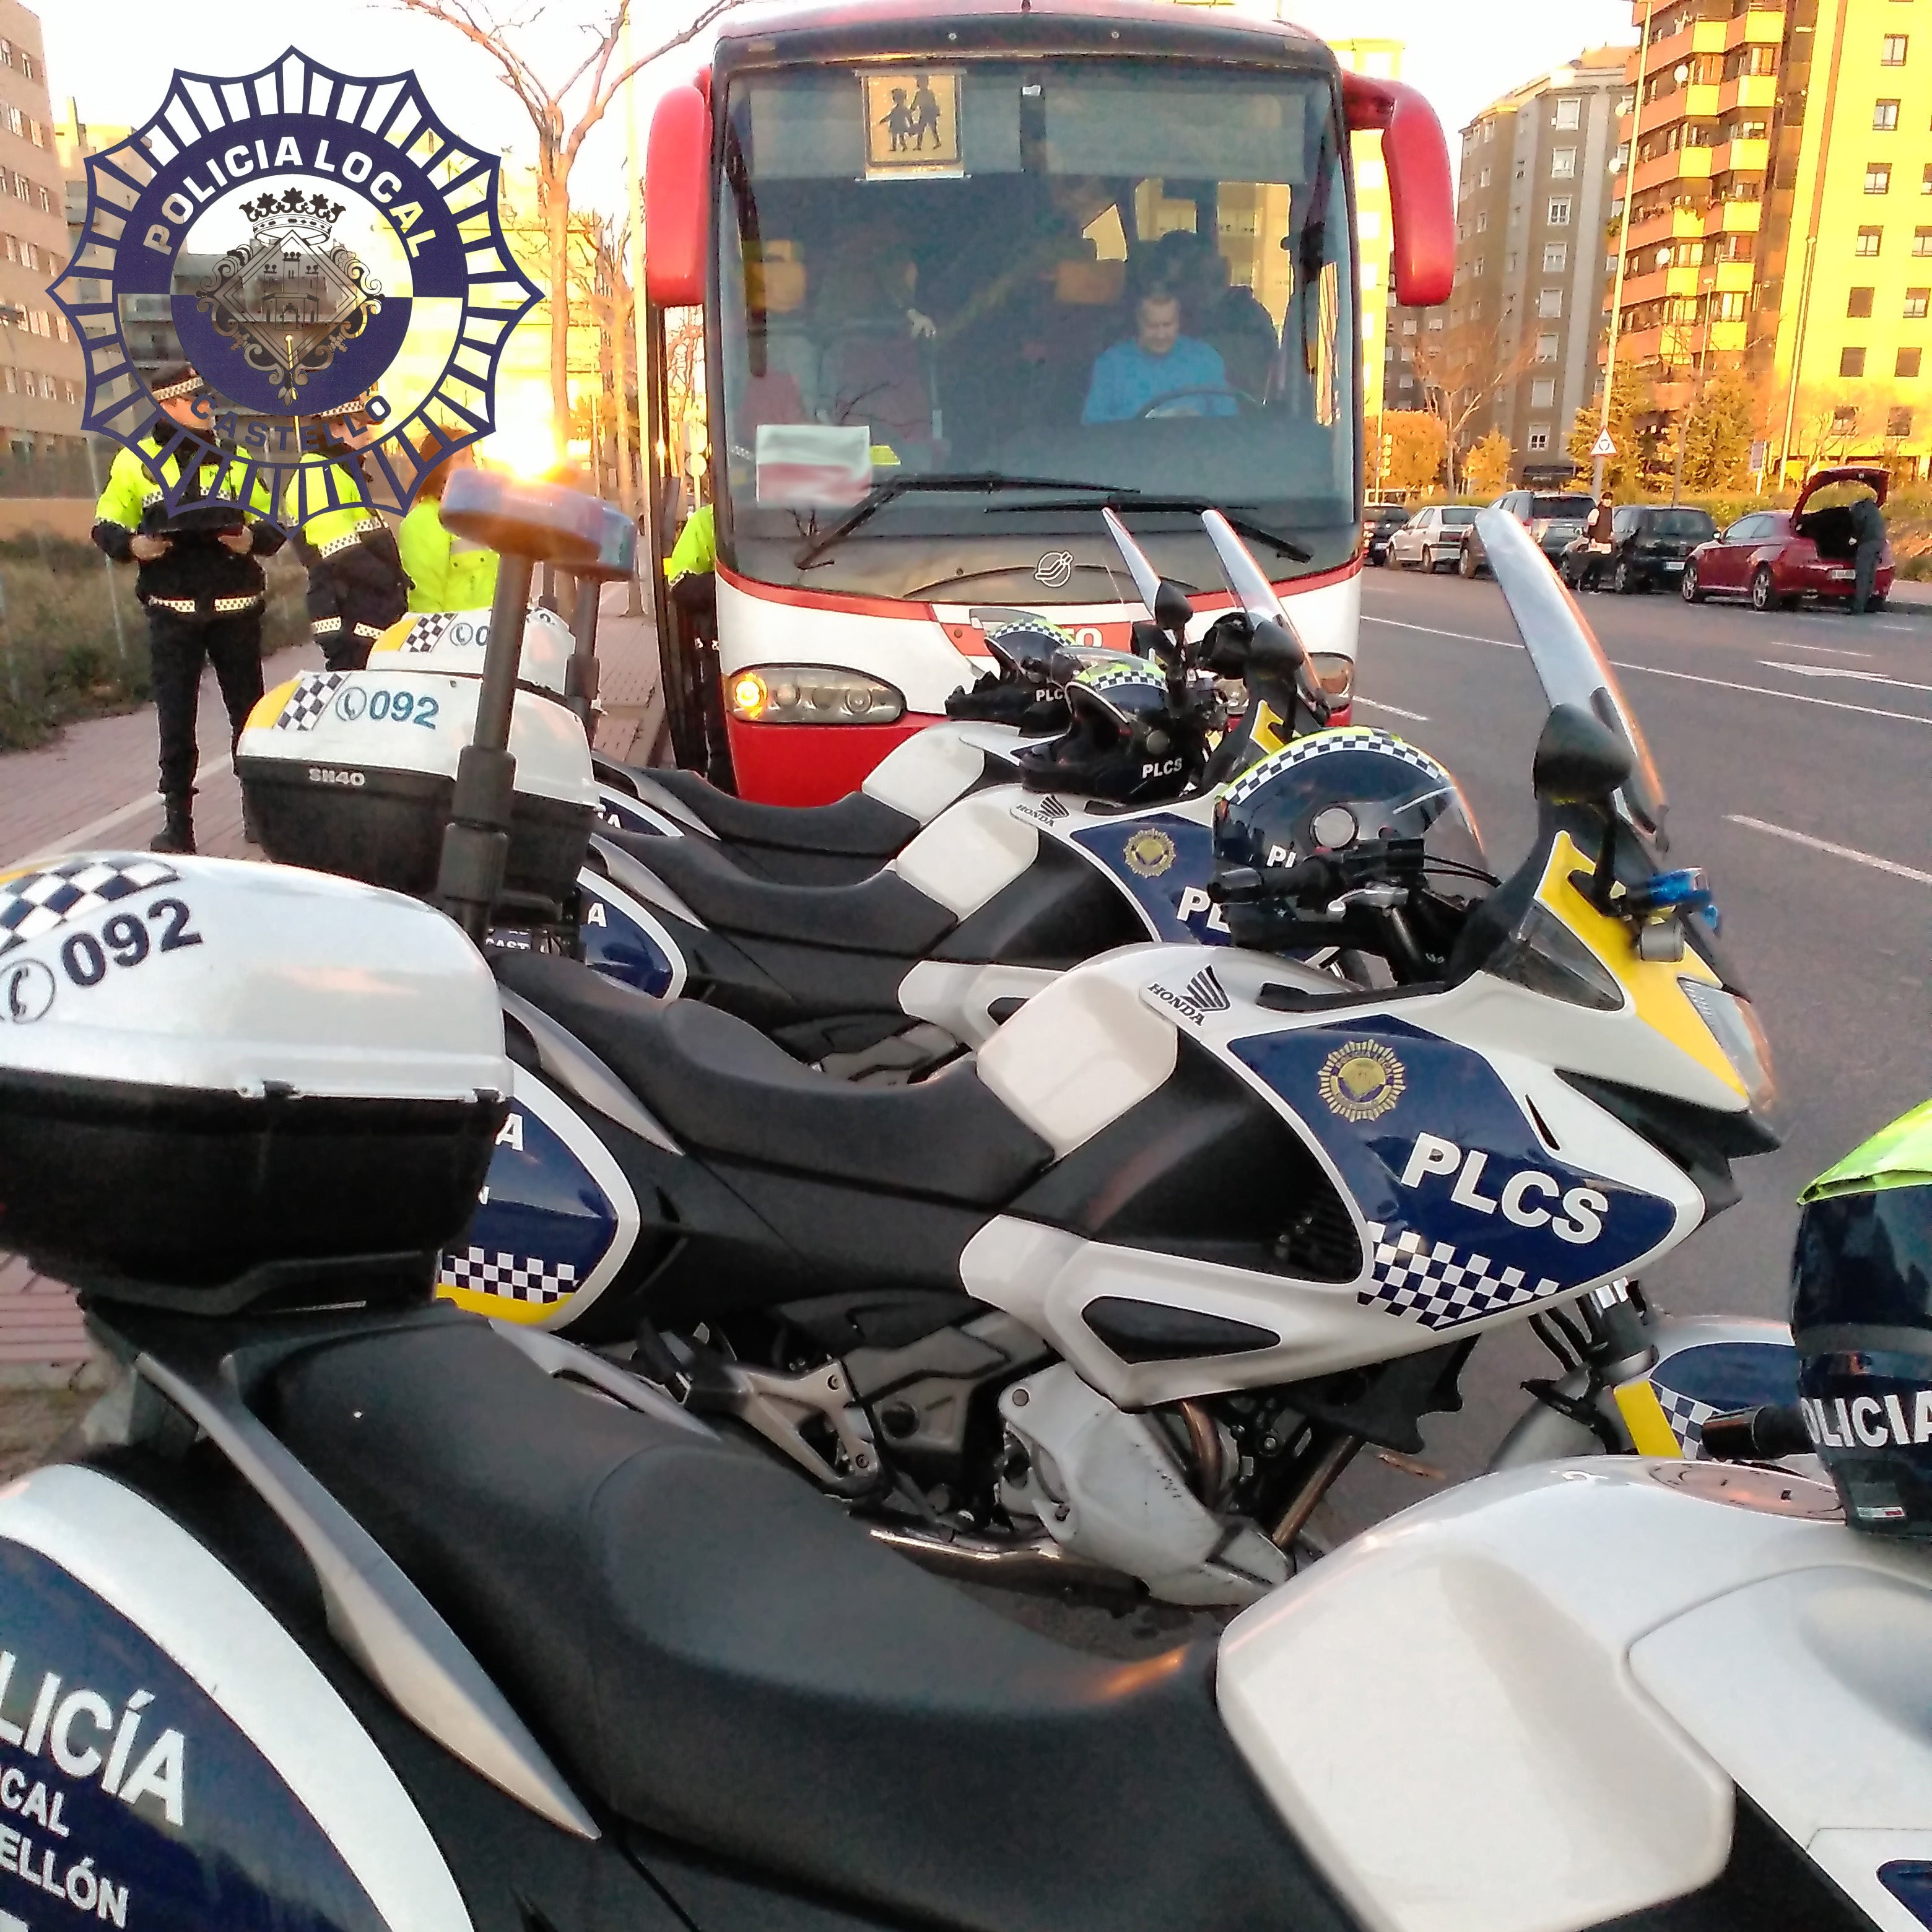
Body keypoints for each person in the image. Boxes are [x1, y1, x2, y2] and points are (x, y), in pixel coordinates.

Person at [90, 363, 285, 855]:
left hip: (236, 609)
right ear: (167, 405)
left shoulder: (236, 457)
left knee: (250, 716)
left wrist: (250, 540)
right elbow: (106, 522)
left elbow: (273, 523)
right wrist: (134, 545)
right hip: (172, 611)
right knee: (176, 721)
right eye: (196, 399)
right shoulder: (135, 461)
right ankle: (179, 825)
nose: (207, 407)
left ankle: (258, 813)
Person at [290, 396, 411, 669]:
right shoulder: (317, 474)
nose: (368, 436)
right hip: (350, 626)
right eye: (359, 425)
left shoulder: (341, 475)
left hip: (363, 621)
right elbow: (341, 554)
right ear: (333, 429)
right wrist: (394, 583)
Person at [1081, 287, 1235, 425]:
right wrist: (1148, 421)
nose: (1161, 335)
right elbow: (1092, 424)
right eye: (1153, 326)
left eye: (1167, 325)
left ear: (1179, 322)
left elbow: (1229, 423)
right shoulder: (1111, 365)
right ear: (1139, 321)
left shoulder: (1206, 359)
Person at [397, 435, 498, 612]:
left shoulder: (480, 518)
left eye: (473, 458)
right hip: (454, 637)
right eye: (461, 459)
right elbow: (424, 607)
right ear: (439, 468)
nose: (472, 466)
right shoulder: (422, 523)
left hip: (493, 636)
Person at [1849, 487, 1887, 615]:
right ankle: (1867, 604)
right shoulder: (1874, 509)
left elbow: (1859, 522)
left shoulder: (1859, 509)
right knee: (1871, 575)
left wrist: (1855, 537)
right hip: (1880, 542)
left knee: (1863, 575)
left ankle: (1858, 608)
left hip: (1868, 543)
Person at [1574, 490, 1616, 591]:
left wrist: (1611, 534)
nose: (1608, 501)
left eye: (1610, 499)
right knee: (1594, 565)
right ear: (1602, 500)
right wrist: (1592, 539)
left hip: (1606, 543)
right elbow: (1591, 526)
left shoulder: (1611, 511)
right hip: (1596, 542)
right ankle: (1584, 582)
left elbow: (1611, 525)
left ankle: (1594, 588)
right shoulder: (1596, 511)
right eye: (1606, 499)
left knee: (1600, 567)